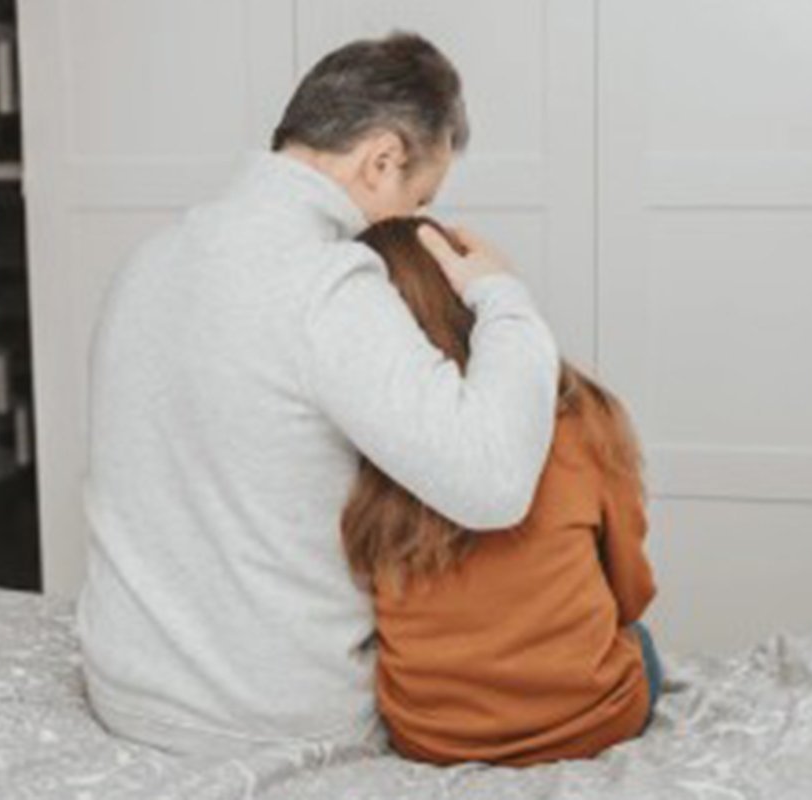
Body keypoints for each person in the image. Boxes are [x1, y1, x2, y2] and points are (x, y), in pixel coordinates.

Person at [75, 31, 561, 756]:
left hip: (124, 691)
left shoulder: (149, 260)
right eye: (418, 199)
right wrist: (502, 295)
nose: (411, 224)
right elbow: (494, 480)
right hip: (266, 718)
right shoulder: (325, 285)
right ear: (382, 159)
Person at [343, 216, 662, 767]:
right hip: (595, 721)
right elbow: (630, 592)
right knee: (641, 640)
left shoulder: (365, 447)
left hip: (432, 737)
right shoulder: (579, 416)